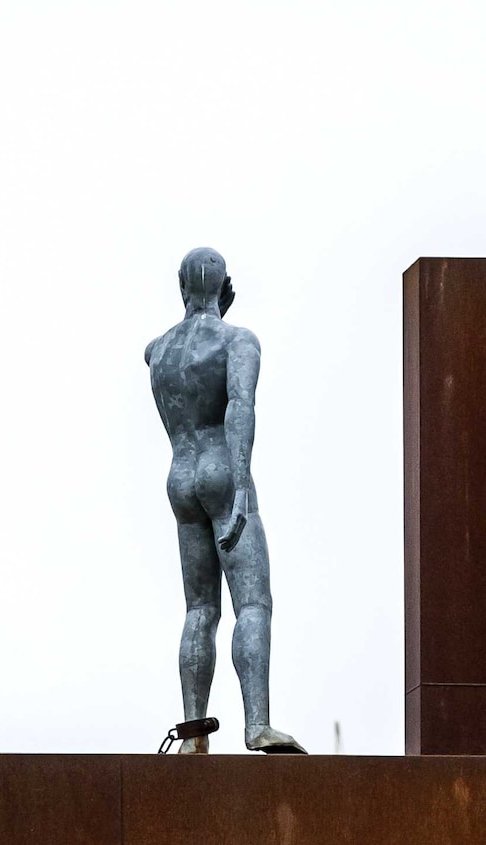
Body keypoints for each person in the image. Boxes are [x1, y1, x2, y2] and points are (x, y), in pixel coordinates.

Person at [144, 248, 304, 754]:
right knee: (253, 603)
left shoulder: (157, 351)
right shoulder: (238, 340)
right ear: (227, 287)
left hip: (179, 475)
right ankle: (257, 723)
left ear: (180, 285)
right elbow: (240, 407)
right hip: (220, 469)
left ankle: (194, 734)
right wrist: (238, 487)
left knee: (199, 609)